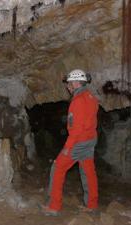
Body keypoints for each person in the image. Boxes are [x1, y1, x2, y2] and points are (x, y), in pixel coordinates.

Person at [40, 69, 99, 216]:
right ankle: (92, 205)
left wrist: (68, 147)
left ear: (77, 83)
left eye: (70, 83)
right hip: (90, 139)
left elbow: (76, 128)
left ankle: (54, 206)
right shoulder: (91, 97)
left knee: (58, 167)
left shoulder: (78, 101)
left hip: (79, 141)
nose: (68, 87)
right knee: (88, 171)